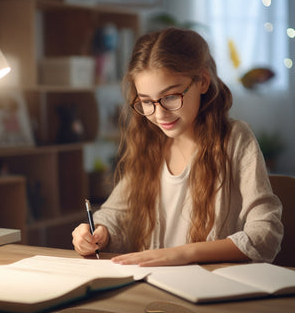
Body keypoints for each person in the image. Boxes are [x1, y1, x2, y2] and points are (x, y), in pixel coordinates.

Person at [72, 28, 283, 267]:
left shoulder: (235, 139)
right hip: (155, 287)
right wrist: (98, 233)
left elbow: (265, 234)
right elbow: (115, 215)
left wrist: (184, 253)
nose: (160, 114)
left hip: (211, 289)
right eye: (146, 102)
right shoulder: (150, 142)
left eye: (171, 96)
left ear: (202, 81)